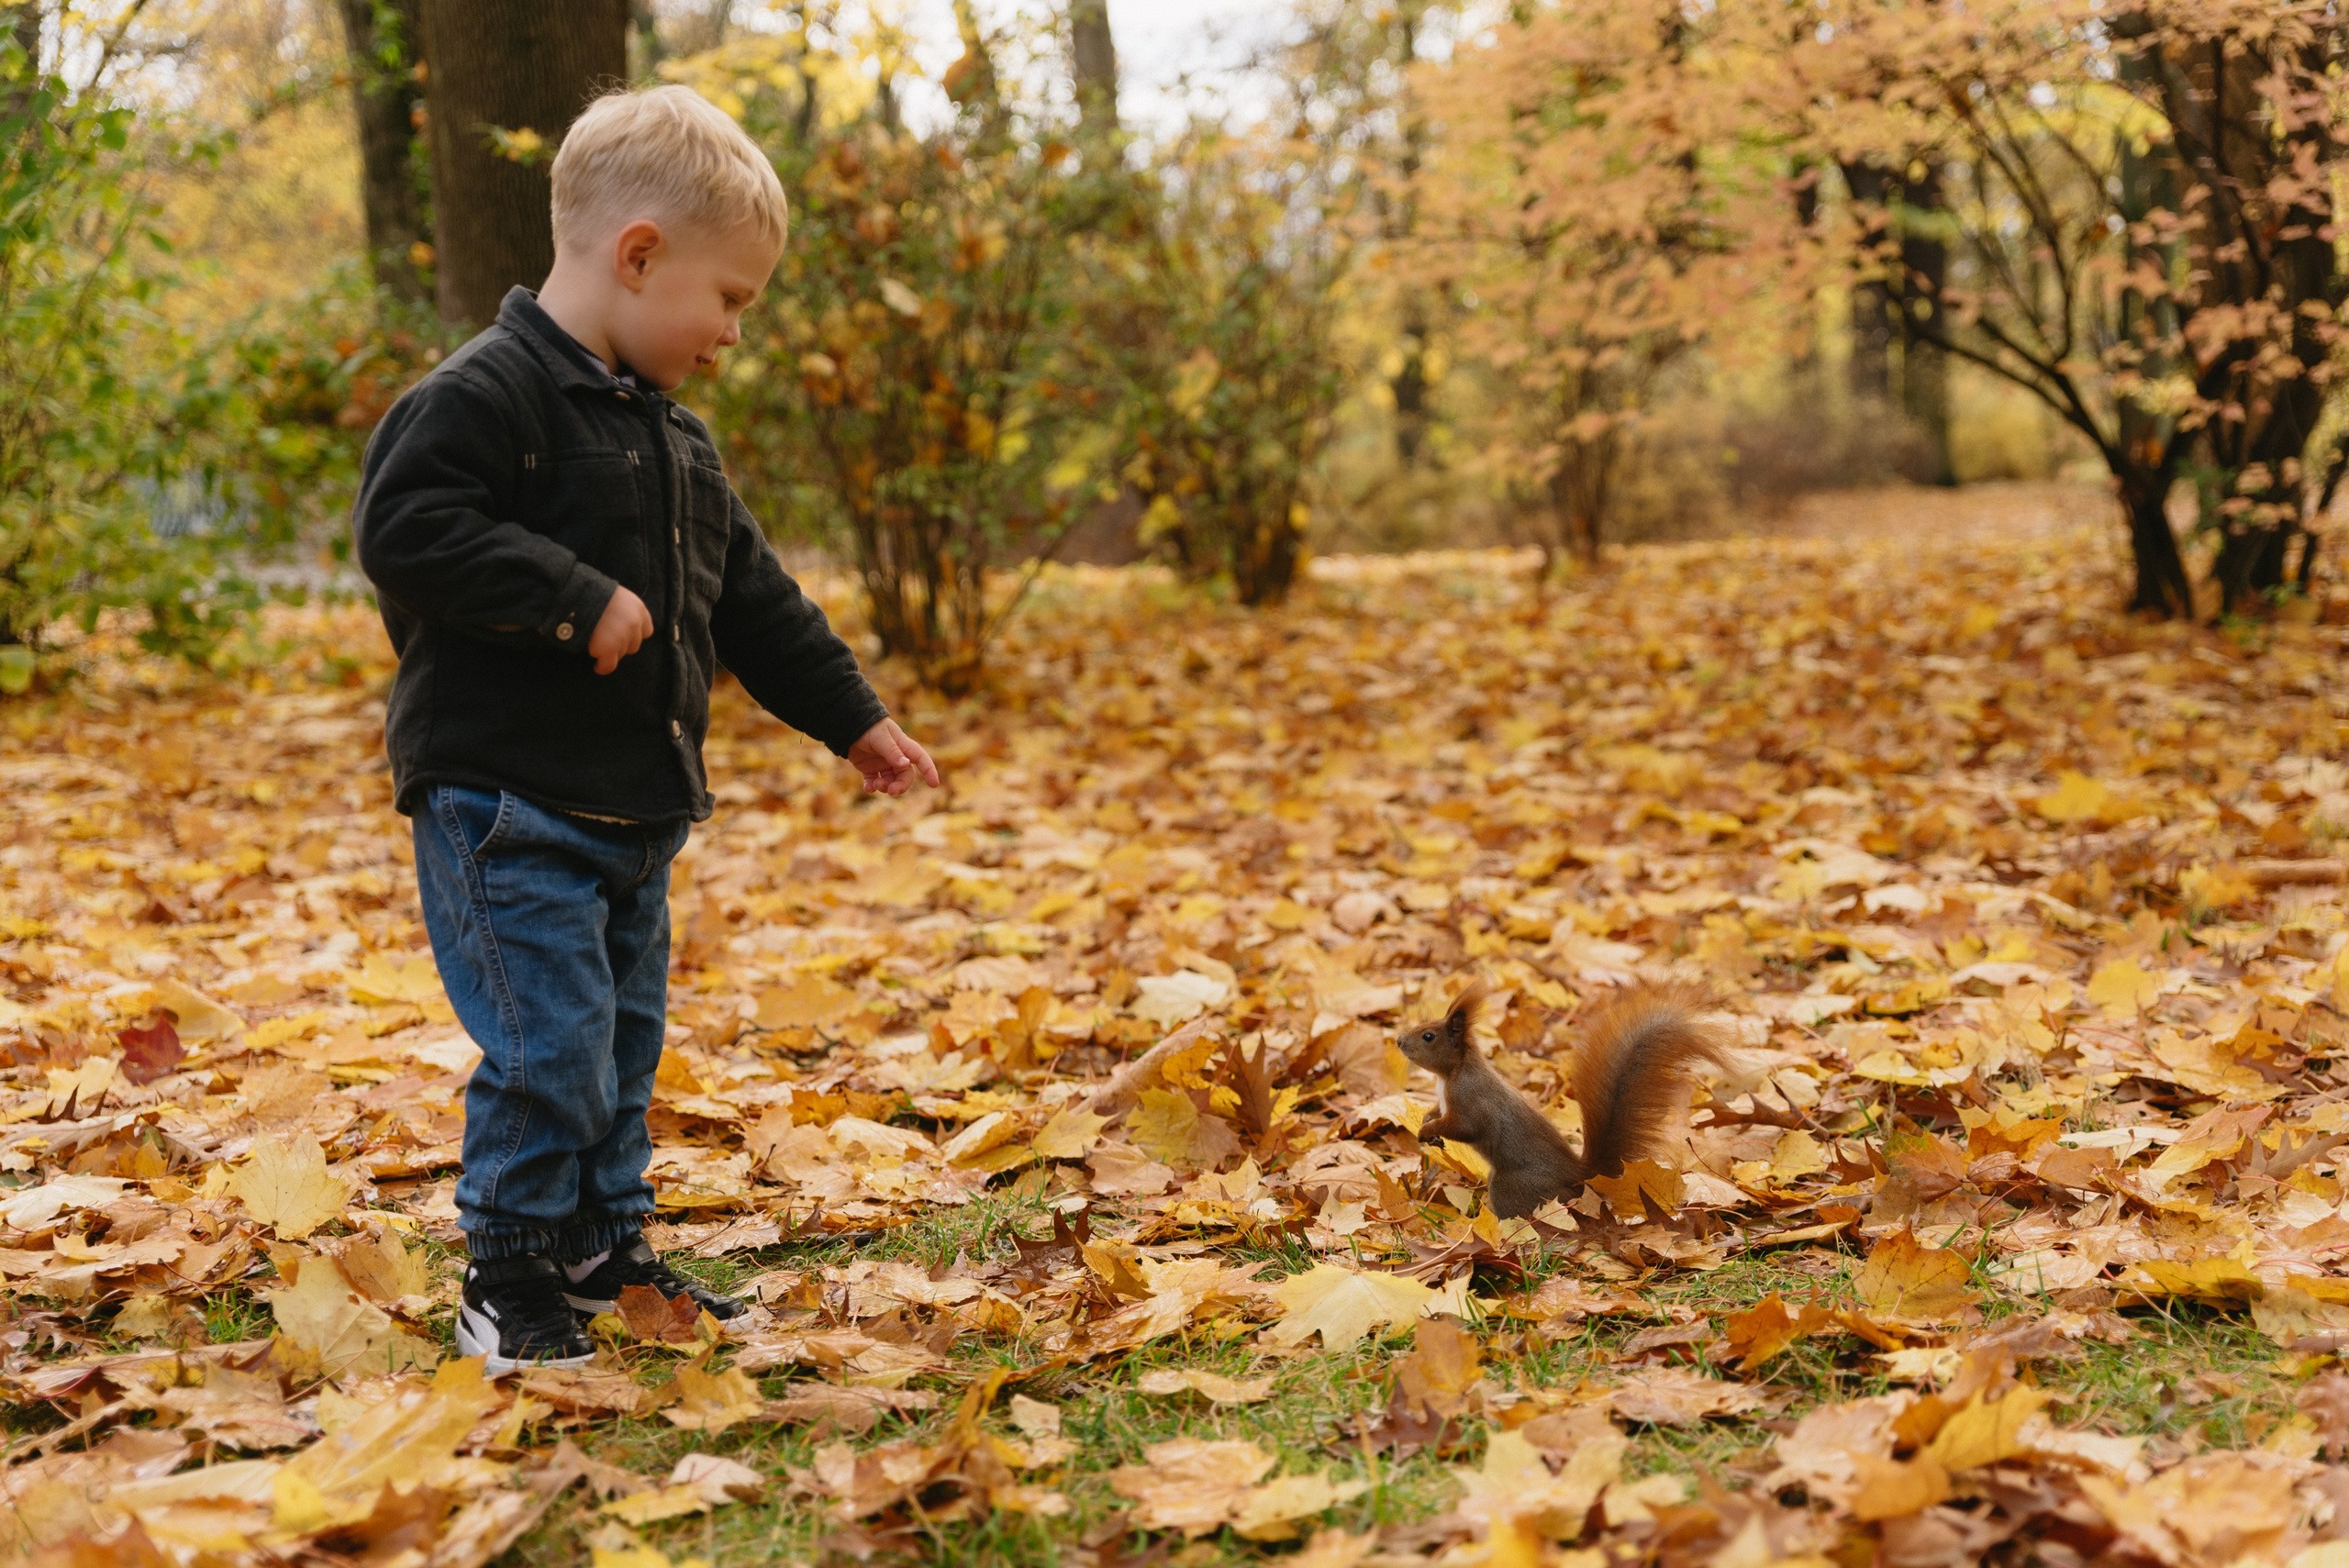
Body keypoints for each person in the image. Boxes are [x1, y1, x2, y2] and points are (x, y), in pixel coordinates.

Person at [353, 85, 938, 1373]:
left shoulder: (679, 444)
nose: (732, 332)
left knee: (619, 1047)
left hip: (632, 808)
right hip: (502, 798)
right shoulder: (484, 397)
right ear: (638, 255)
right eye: (728, 298)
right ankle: (506, 1275)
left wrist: (857, 723)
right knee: (549, 1044)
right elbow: (405, 528)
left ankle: (603, 1248)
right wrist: (570, 601)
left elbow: (759, 608)